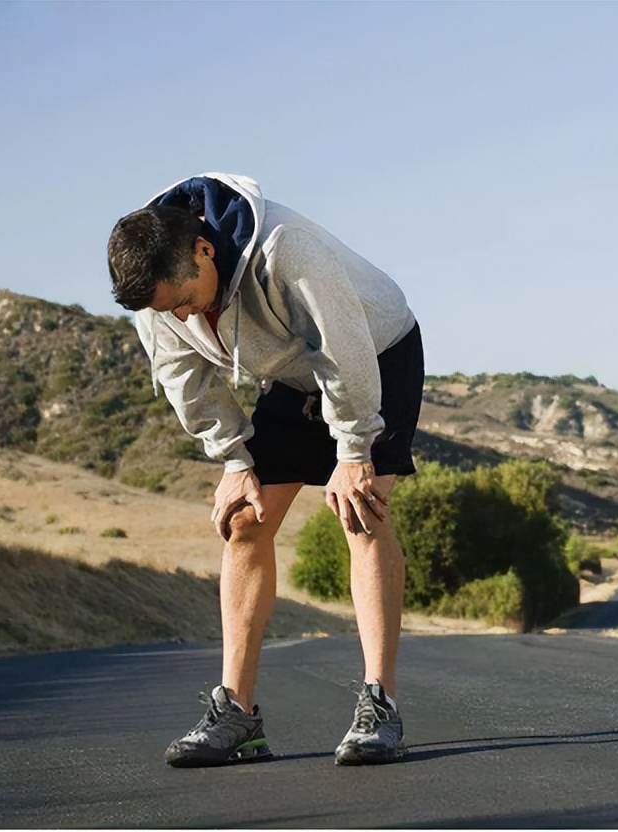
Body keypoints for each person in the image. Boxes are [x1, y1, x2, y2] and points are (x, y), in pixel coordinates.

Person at [106, 172, 423, 767]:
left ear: (204, 248)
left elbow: (341, 349)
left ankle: (380, 708)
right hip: (292, 372)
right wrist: (233, 458)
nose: (181, 314)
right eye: (167, 309)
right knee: (246, 521)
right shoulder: (156, 282)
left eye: (184, 299)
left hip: (373, 351)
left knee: (360, 512)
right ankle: (237, 717)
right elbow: (185, 377)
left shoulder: (285, 250)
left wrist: (354, 451)